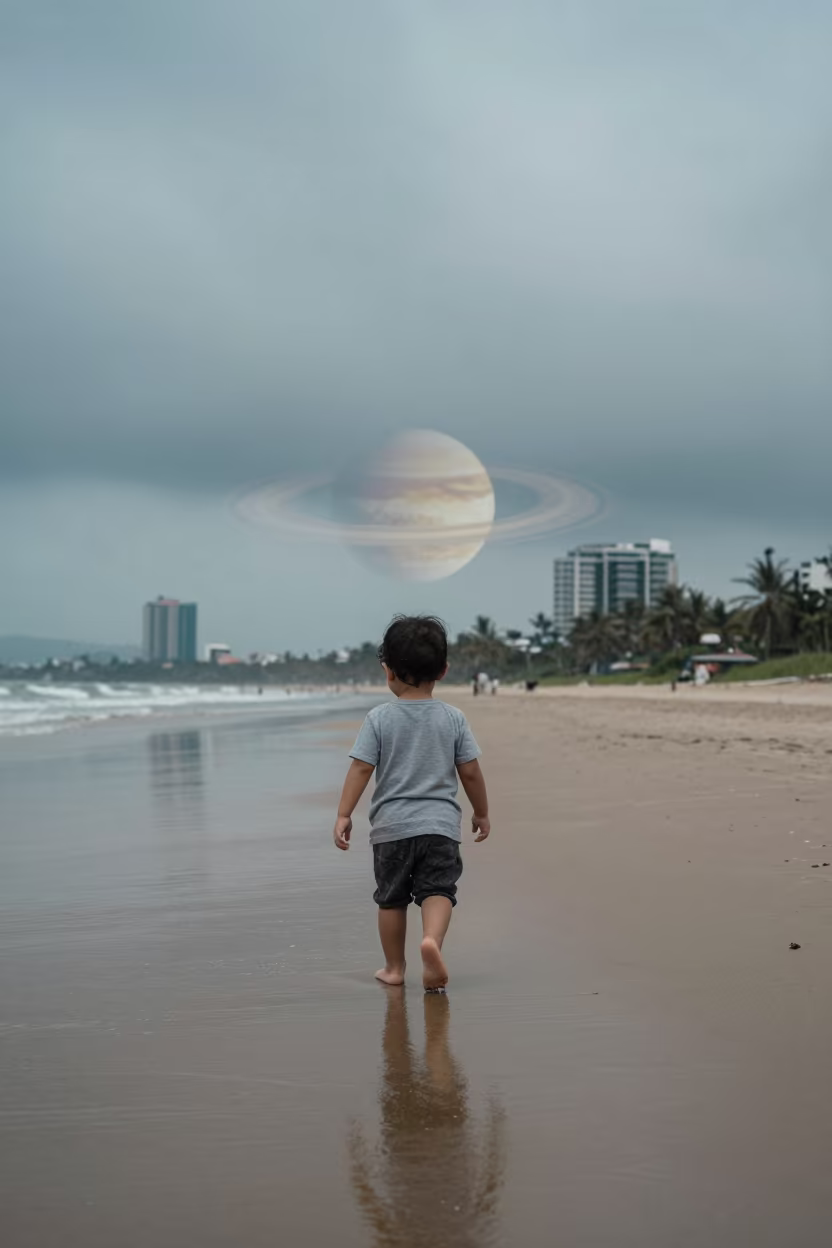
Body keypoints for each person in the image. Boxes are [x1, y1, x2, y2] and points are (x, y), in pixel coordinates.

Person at [333, 615, 491, 991]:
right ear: (444, 670)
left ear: (388, 671)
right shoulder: (453, 718)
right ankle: (431, 941)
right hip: (439, 827)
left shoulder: (379, 718)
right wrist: (481, 811)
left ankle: (394, 968)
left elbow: (360, 769)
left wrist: (344, 813)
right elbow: (469, 771)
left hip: (391, 829)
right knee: (438, 891)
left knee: (391, 900)